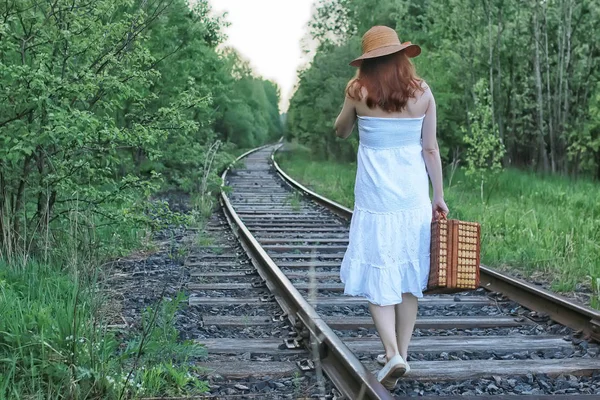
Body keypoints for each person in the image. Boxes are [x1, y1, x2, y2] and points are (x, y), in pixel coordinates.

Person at [334, 25, 449, 390]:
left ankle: (391, 351)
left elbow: (340, 131)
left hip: (375, 201)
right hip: (412, 199)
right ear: (402, 56)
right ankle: (402, 353)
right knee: (408, 280)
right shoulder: (422, 92)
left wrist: (352, 113)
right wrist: (438, 196)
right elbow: (430, 149)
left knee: (378, 273)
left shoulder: (358, 91)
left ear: (367, 63)